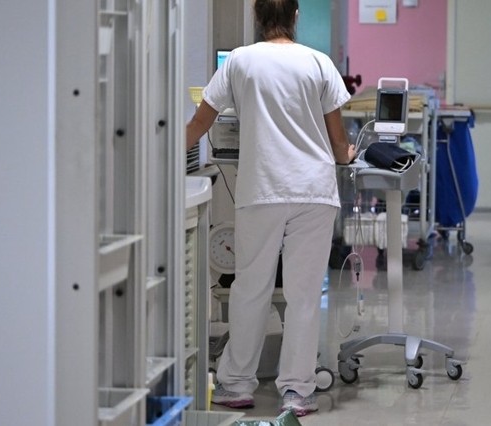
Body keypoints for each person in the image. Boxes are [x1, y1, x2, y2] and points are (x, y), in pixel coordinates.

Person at [184, 0, 354, 416]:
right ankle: (297, 389)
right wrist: (347, 154)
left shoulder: (240, 61)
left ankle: (236, 384)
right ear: (295, 17)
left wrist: (164, 156)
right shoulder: (319, 63)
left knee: (250, 288)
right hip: (313, 191)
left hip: (262, 190)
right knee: (303, 295)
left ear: (257, 18)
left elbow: (201, 121)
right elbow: (337, 141)